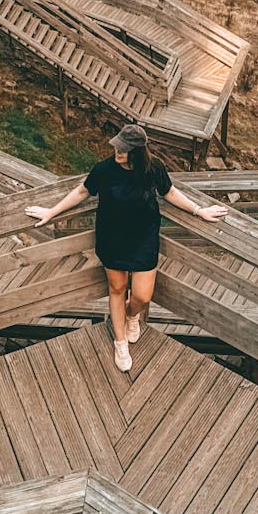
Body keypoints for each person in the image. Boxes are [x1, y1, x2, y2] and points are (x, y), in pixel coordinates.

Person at [24, 124, 227, 371]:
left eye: (123, 149)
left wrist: (199, 210)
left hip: (144, 239)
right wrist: (51, 211)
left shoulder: (153, 168)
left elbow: (170, 192)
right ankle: (120, 342)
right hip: (112, 239)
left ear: (137, 151)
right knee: (117, 288)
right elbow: (81, 192)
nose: (117, 151)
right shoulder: (105, 169)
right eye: (117, 146)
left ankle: (132, 315)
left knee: (142, 296)